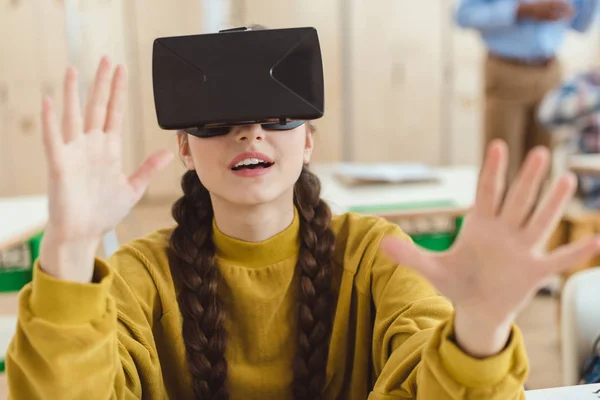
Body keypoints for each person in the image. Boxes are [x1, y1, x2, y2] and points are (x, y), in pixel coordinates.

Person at [5, 51, 600, 399]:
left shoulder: (375, 255)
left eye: (278, 117)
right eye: (218, 124)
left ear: (309, 140)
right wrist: (69, 248)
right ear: (185, 148)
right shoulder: (141, 277)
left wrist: (480, 331)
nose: (250, 134)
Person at [455, 0, 599, 183]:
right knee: (501, 162)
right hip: (507, 69)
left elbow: (582, 25)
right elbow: (464, 16)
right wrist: (522, 11)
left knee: (542, 165)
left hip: (550, 70)